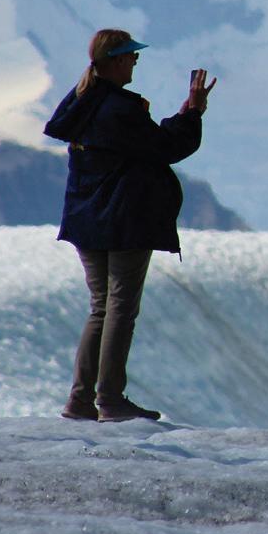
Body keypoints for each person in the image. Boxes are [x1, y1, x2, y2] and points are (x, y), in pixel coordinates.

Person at [43, 29, 216, 423]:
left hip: (86, 219)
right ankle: (110, 399)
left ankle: (80, 400)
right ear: (117, 59)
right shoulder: (120, 109)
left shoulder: (82, 101)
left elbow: (146, 143)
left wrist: (184, 115)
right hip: (123, 220)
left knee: (100, 308)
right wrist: (193, 113)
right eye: (131, 56)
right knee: (120, 308)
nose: (136, 62)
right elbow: (165, 147)